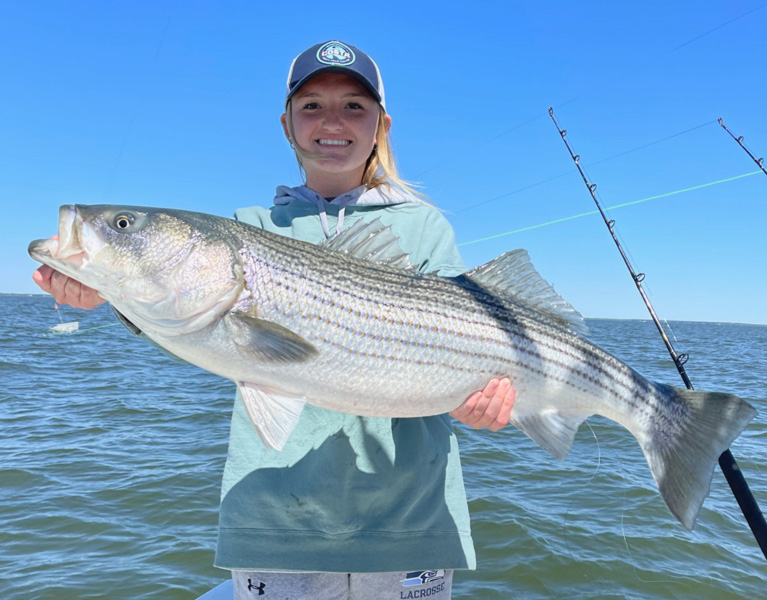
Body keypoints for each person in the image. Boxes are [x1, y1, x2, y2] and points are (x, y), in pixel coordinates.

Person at [33, 40, 516, 600]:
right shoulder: (250, 226)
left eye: (354, 106)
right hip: (274, 525)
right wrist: (109, 293)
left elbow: (464, 351)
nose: (331, 121)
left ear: (381, 126)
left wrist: (484, 403)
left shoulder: (423, 228)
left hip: (409, 523)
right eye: (310, 105)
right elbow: (187, 316)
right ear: (286, 124)